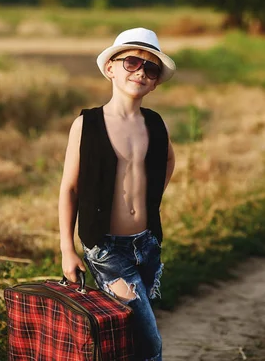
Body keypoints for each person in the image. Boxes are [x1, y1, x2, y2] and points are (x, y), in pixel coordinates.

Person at [58, 27, 176, 361]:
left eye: (150, 68)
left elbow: (169, 160)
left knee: (129, 339)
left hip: (147, 244)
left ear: (154, 82)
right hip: (106, 249)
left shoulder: (154, 123)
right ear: (111, 67)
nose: (140, 71)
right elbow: (69, 188)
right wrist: (68, 249)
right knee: (150, 343)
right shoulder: (88, 125)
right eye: (132, 62)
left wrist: (151, 199)